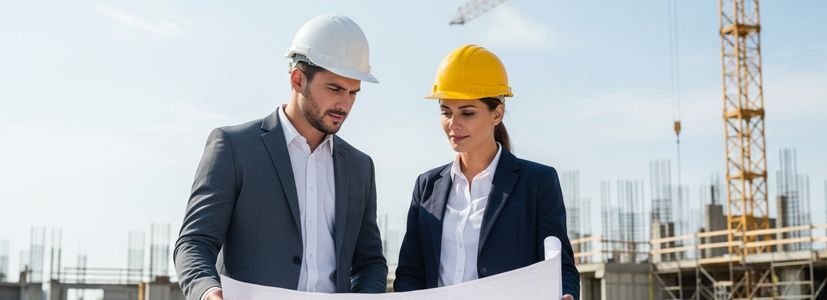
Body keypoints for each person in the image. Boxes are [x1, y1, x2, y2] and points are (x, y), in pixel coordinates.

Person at [173, 15, 387, 300]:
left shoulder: (360, 167)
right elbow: (194, 242)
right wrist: (208, 292)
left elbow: (369, 262)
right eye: (334, 89)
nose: (344, 104)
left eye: (353, 93)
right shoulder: (234, 148)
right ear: (298, 79)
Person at [393, 44, 580, 299]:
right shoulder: (426, 187)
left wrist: (566, 294)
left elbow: (560, 268)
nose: (453, 124)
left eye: (467, 113)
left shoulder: (537, 183)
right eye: (445, 112)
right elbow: (410, 273)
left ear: (497, 114)